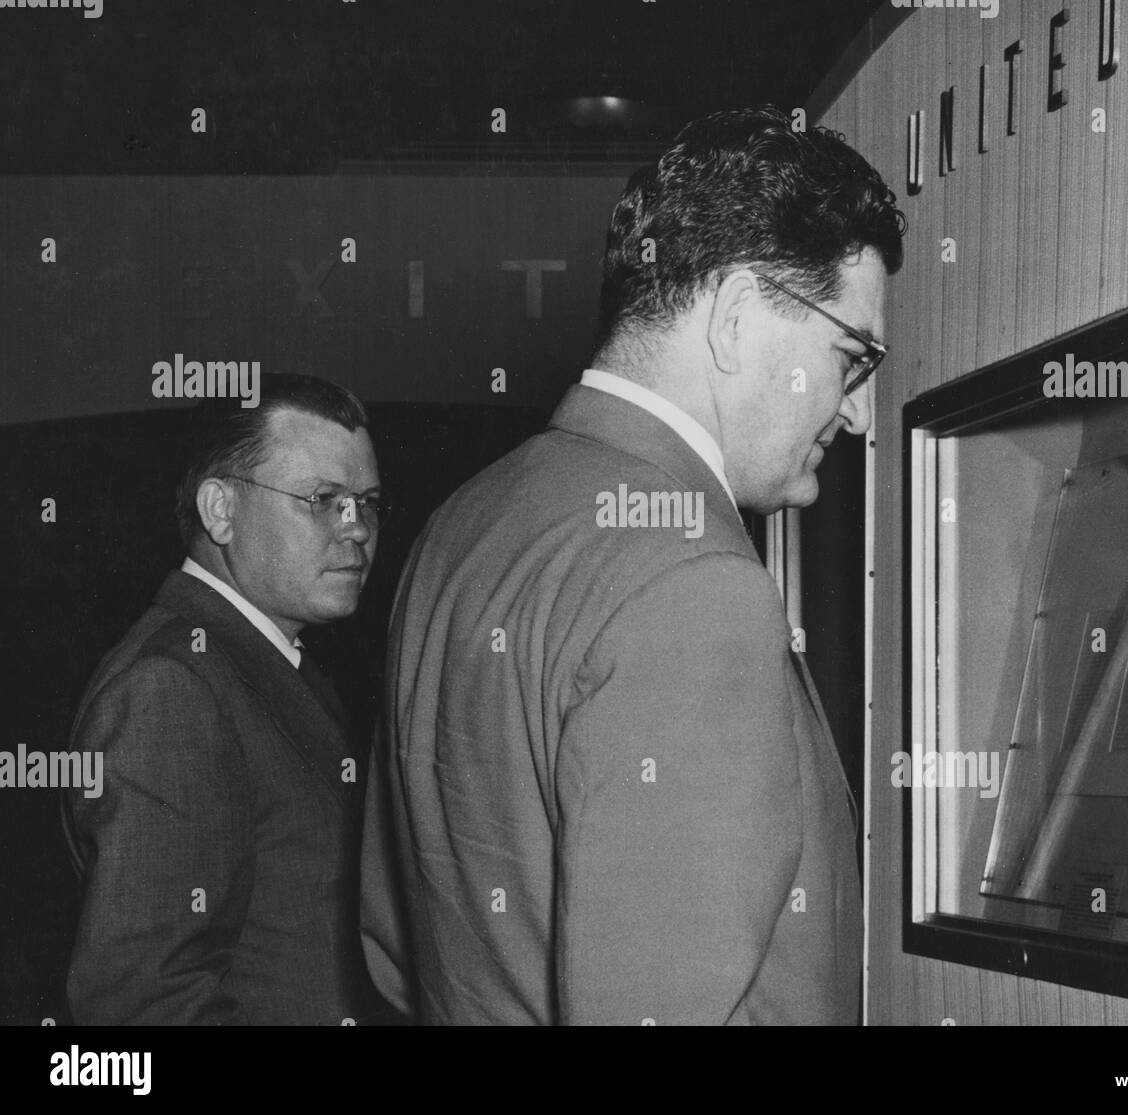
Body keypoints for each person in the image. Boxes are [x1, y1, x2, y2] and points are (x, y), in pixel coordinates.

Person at [362, 105, 906, 1024]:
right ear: (736, 319)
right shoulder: (698, 588)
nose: (856, 414)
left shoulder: (454, 531)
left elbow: (390, 948)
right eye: (850, 357)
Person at [64, 373, 388, 1024]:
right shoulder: (171, 690)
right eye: (322, 498)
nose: (355, 528)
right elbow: (139, 1005)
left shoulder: (268, 665)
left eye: (367, 501)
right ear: (220, 511)